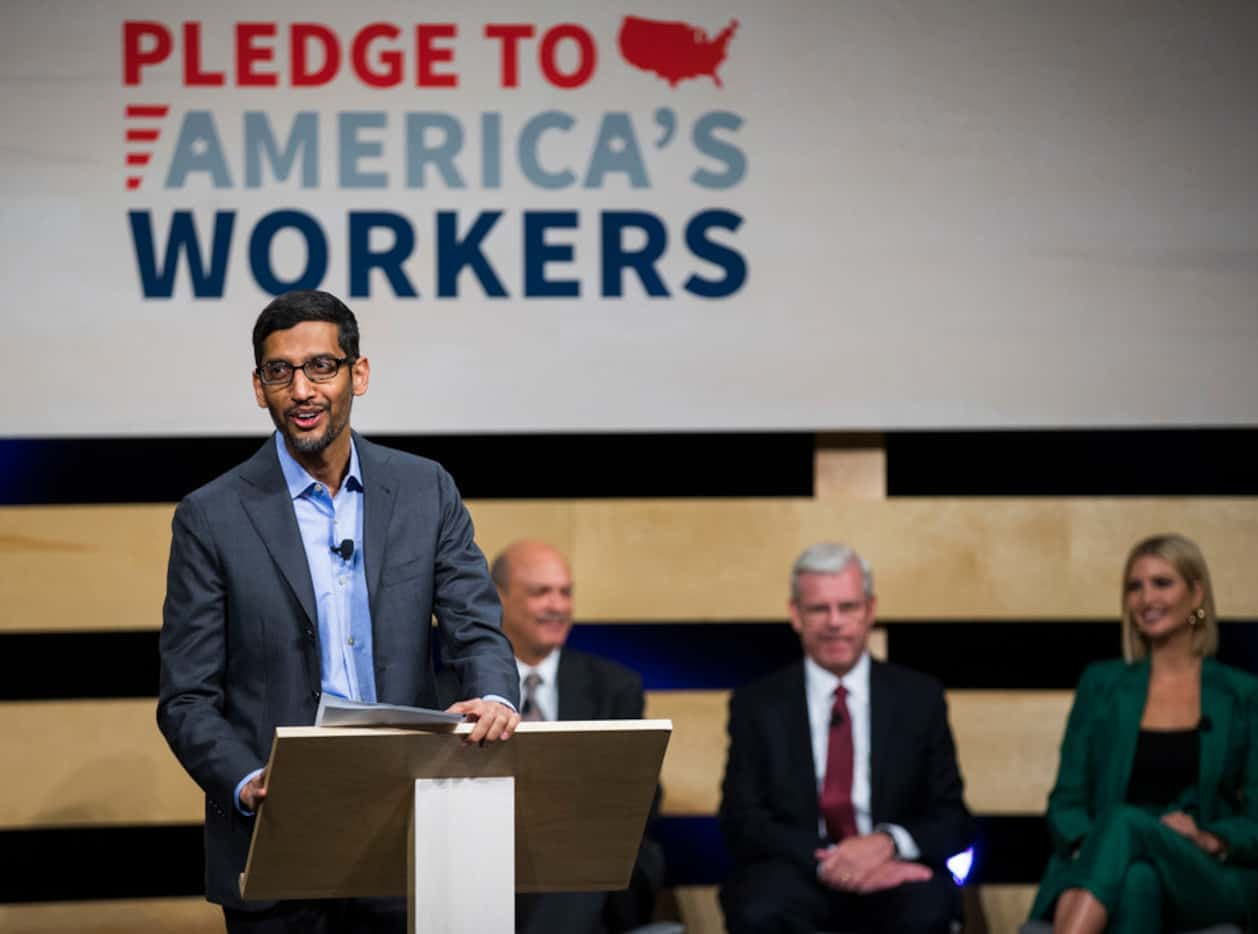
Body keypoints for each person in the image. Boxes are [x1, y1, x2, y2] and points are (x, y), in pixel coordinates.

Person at [157, 290, 520, 933]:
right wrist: (248, 782)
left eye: (321, 367)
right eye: (280, 372)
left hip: (412, 830)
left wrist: (493, 694)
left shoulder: (424, 488)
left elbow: (475, 626)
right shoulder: (210, 517)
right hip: (279, 839)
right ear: (258, 387)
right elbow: (186, 698)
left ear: (359, 373)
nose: (302, 389)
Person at [1028, 533, 1258, 934]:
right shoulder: (1101, 685)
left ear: (1196, 593)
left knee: (1126, 824)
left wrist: (1209, 838)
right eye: (1135, 586)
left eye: (1162, 583)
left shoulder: (1244, 694)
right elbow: (1066, 801)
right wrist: (1102, 851)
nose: (1146, 598)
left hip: (1203, 877)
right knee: (1135, 876)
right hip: (1120, 868)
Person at [719, 542, 975, 934]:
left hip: (891, 873)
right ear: (795, 614)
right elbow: (742, 821)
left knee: (929, 907)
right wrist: (835, 860)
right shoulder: (757, 703)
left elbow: (951, 818)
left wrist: (888, 844)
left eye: (848, 607)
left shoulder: (920, 698)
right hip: (798, 872)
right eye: (819, 609)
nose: (834, 622)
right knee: (758, 907)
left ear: (870, 611)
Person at [437, 539, 665, 934]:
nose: (557, 606)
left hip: (584, 858)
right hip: (479, 848)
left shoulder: (614, 686)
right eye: (541, 593)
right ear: (497, 598)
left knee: (585, 853)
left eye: (565, 592)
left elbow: (643, 793)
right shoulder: (448, 688)